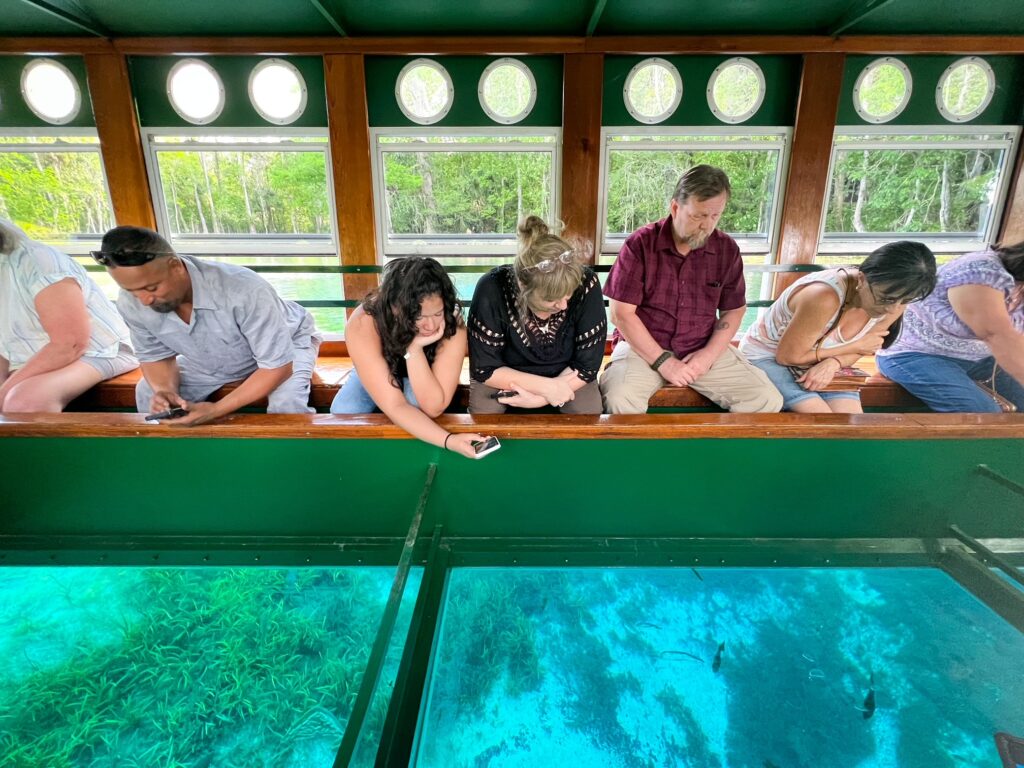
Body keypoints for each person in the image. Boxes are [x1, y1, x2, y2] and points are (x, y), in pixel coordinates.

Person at [599, 165, 782, 414]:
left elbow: (733, 311)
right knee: (620, 398)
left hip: (702, 345)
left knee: (766, 399)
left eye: (715, 216)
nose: (707, 225)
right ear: (675, 208)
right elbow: (621, 314)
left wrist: (707, 356)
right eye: (698, 216)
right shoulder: (640, 244)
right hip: (643, 347)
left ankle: (717, 453)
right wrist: (664, 362)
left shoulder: (726, 250)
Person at [93, 225, 320, 426]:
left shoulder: (244, 289)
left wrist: (215, 410)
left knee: (286, 402)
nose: (144, 300)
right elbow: (156, 357)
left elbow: (277, 367)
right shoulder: (131, 303)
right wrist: (167, 393)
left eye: (152, 288)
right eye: (132, 291)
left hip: (287, 347)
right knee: (147, 392)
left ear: (176, 266)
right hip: (212, 360)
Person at [739, 241, 936, 413]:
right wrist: (852, 347)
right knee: (820, 417)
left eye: (906, 300)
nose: (892, 308)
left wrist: (833, 362)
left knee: (852, 421)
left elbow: (867, 346)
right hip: (768, 355)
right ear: (861, 279)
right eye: (885, 298)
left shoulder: (897, 300)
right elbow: (788, 356)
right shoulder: (823, 296)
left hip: (821, 359)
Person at [330, 256, 491, 459]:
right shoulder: (364, 322)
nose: (431, 326)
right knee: (344, 411)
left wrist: (414, 350)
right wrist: (449, 440)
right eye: (418, 317)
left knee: (417, 405)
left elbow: (433, 406)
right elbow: (395, 405)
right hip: (381, 368)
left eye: (437, 314)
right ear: (395, 308)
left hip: (425, 374)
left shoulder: (452, 322)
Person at [467, 216, 606, 414]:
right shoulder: (491, 288)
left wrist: (539, 399)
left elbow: (587, 365)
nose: (564, 306)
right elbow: (485, 368)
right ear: (523, 286)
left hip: (568, 373)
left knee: (587, 411)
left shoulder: (587, 283)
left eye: (568, 295)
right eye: (552, 300)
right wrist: (548, 388)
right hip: (506, 374)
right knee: (485, 412)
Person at [0, 219, 137, 413]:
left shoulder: (39, 263)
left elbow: (70, 344)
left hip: (101, 351)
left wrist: (4, 391)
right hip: (33, 357)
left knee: (23, 403)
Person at [876, 241, 1024, 412]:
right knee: (982, 413)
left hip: (980, 359)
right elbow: (998, 335)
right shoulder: (981, 272)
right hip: (914, 355)